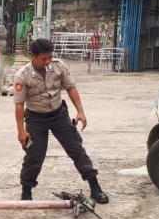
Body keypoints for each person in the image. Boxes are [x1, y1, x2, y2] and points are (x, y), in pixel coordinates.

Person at [14, 38, 109, 203]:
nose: (47, 61)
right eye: (44, 58)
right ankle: (26, 191)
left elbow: (70, 88)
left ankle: (95, 187)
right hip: (35, 118)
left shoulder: (58, 66)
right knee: (34, 155)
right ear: (33, 56)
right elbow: (19, 105)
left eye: (49, 57)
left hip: (58, 114)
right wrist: (21, 131)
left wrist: (80, 111)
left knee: (76, 149)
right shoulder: (22, 76)